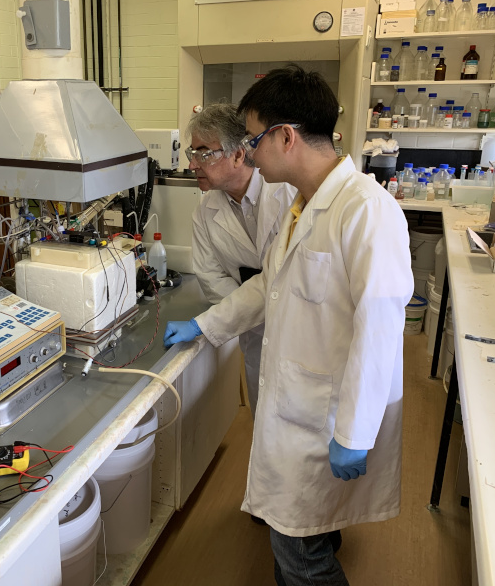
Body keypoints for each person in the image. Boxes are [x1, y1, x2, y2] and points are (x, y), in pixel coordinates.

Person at [163, 65, 413, 586]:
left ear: (285, 136)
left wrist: (355, 431)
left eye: (252, 139)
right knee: (298, 534)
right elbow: (266, 286)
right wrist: (206, 325)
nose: (247, 153)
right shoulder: (304, 206)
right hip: (296, 402)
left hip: (326, 414)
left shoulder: (367, 210)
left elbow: (381, 327)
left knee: (301, 561)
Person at [186, 103, 296, 419]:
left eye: (203, 153)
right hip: (254, 332)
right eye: (192, 154)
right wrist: (251, 313)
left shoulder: (288, 194)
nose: (193, 164)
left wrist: (266, 306)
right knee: (265, 423)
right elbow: (210, 276)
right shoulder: (205, 212)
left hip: (301, 330)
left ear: (238, 154)